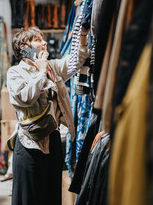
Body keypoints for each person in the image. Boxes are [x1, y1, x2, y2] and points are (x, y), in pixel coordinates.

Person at [6, 27, 90, 205]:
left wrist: (83, 36)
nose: (44, 43)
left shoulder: (51, 66)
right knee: (29, 198)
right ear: (24, 47)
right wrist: (41, 72)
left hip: (52, 139)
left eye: (43, 39)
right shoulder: (14, 73)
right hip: (29, 143)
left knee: (51, 196)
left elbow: (76, 62)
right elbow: (25, 98)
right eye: (38, 39)